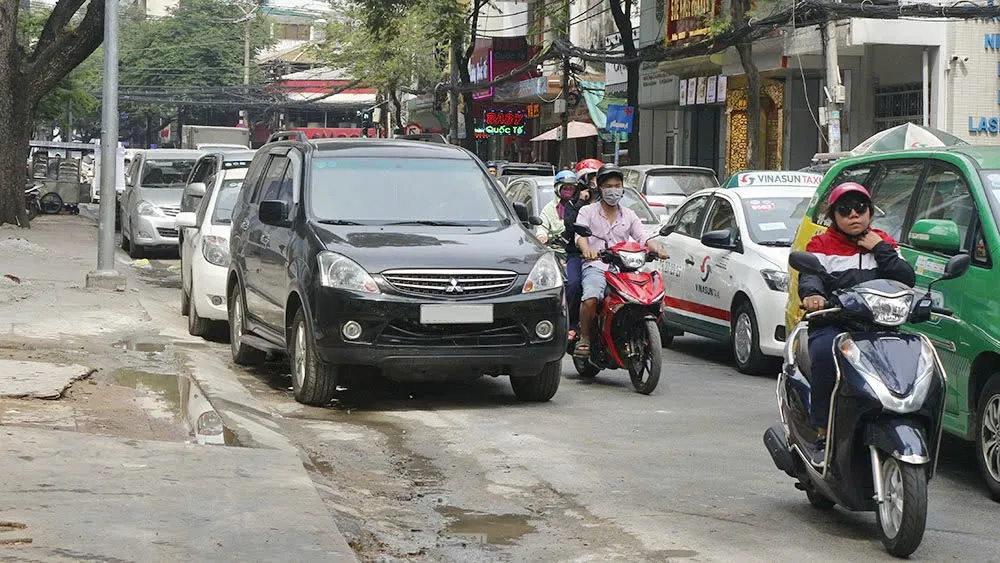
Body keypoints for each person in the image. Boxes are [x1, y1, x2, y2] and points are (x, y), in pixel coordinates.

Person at [798, 182, 916, 467]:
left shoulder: (883, 242)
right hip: (835, 323)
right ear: (834, 215)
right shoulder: (821, 245)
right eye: (845, 209)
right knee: (824, 354)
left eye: (860, 208)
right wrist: (813, 295)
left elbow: (906, 279)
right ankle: (823, 434)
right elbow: (810, 276)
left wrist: (880, 248)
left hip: (879, 327)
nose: (854, 214)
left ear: (870, 212)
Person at [573, 164, 667, 357]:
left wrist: (657, 250)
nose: (613, 190)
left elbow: (643, 237)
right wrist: (587, 250)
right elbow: (580, 236)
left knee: (646, 297)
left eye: (617, 185)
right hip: (596, 266)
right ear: (600, 188)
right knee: (591, 298)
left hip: (624, 269)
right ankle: (585, 337)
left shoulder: (630, 215)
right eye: (609, 186)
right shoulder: (587, 211)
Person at [536, 170, 578, 244]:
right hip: (556, 247)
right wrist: (542, 236)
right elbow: (542, 227)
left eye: (571, 188)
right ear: (557, 189)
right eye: (565, 188)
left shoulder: (579, 206)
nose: (568, 191)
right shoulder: (549, 209)